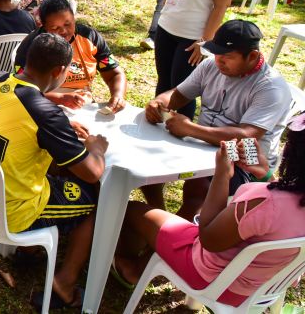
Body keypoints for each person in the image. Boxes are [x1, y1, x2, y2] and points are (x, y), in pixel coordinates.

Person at [0, 33, 108, 310]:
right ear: (59, 71)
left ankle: (29, 250)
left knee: (55, 170)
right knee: (96, 203)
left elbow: (23, 108)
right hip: (13, 211)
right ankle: (65, 282)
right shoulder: (45, 114)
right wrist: (97, 148)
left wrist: (57, 121)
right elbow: (92, 172)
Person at [113, 122, 305, 307]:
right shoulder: (281, 198)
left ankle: (131, 269)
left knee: (132, 210)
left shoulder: (264, 200)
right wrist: (266, 175)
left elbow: (208, 239)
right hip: (260, 288)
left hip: (211, 279)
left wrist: (221, 175)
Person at [143, 20, 292, 219]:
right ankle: (159, 215)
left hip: (246, 161)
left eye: (227, 56)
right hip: (203, 144)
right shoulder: (211, 65)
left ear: (253, 56)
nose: (219, 60)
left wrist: (189, 129)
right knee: (150, 162)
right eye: (216, 53)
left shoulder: (271, 87)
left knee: (199, 189)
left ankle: (172, 237)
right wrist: (159, 103)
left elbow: (246, 137)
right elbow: (178, 94)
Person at [14, 0, 127, 113]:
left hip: (82, 106)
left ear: (74, 18)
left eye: (67, 24)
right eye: (55, 27)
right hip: (42, 106)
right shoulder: (31, 46)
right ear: (44, 27)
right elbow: (21, 88)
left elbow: (114, 74)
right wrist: (60, 98)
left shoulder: (90, 38)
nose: (63, 31)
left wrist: (118, 96)